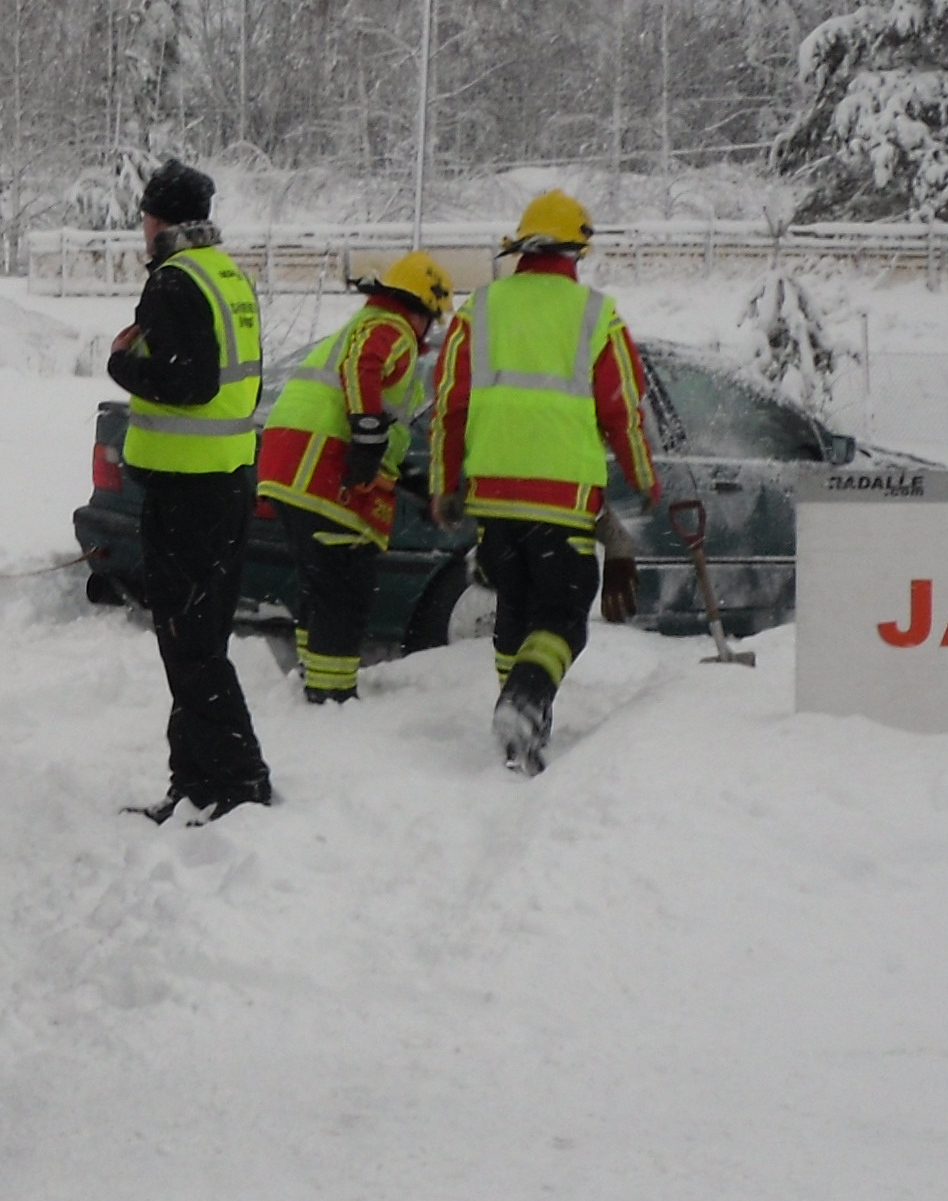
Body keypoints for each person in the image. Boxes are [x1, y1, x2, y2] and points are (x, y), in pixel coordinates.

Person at [427, 188, 656, 774]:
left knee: (515, 608)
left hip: (494, 500)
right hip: (564, 501)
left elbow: (449, 406)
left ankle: (519, 733)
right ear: (577, 251)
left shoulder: (478, 310)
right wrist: (644, 479)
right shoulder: (595, 315)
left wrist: (443, 485)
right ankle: (525, 704)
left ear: (521, 249)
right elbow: (623, 411)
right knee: (562, 618)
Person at [109, 160, 272, 820]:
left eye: (145, 216)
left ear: (160, 220)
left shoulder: (174, 282)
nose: (142, 228)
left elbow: (189, 382)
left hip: (187, 496)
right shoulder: (227, 275)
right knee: (196, 639)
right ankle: (195, 784)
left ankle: (239, 780)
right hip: (227, 483)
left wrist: (123, 362)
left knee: (190, 645)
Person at [257, 252, 453, 706]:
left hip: (294, 464)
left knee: (325, 582)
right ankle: (331, 695)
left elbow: (381, 417)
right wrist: (367, 437)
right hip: (319, 467)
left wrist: (408, 480)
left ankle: (318, 681)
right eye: (433, 318)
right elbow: (362, 370)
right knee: (344, 586)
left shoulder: (367, 326)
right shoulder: (391, 328)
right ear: (422, 307)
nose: (432, 330)